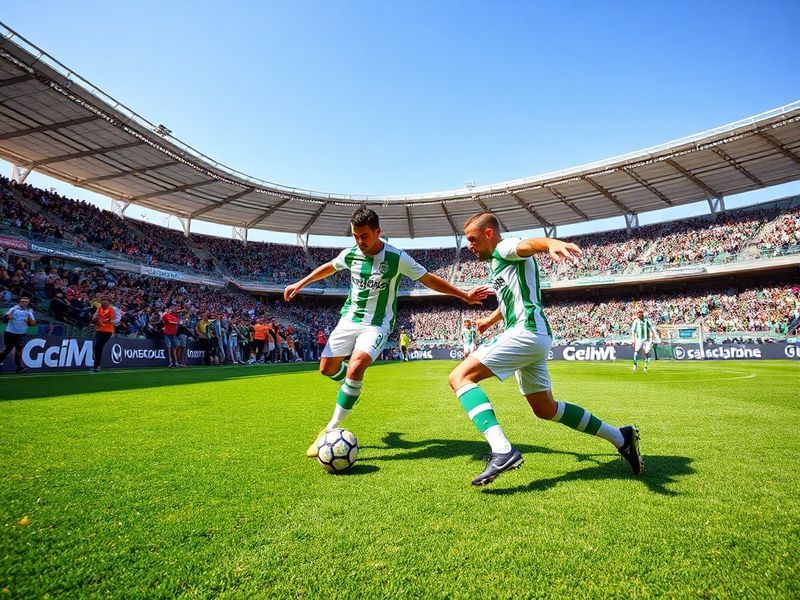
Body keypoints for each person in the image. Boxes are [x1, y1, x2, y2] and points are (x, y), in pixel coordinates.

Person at [447, 212, 642, 486]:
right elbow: (512, 300)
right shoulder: (498, 264)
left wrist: (549, 243)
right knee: (546, 409)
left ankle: (502, 450)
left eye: (472, 239)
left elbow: (526, 245)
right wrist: (490, 321)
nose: (469, 246)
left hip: (524, 333)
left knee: (459, 377)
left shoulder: (504, 248)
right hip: (533, 335)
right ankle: (621, 437)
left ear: (489, 233)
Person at [284, 207, 491, 457]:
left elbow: (427, 279)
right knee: (327, 368)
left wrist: (463, 295)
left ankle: (331, 427)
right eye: (355, 236)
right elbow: (329, 267)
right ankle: (351, 389)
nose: (359, 242)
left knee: (357, 365)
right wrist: (300, 283)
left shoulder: (396, 258)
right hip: (348, 319)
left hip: (378, 323)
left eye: (364, 236)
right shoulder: (351, 254)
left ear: (378, 232)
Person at [0, 295, 35, 374]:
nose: (24, 303)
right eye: (23, 301)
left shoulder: (29, 311)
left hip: (21, 334)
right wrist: (7, 317)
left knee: (19, 351)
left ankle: (19, 368)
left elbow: (32, 323)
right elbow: (4, 318)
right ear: (20, 301)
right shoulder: (13, 309)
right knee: (7, 349)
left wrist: (29, 321)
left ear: (28, 302)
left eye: (26, 301)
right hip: (10, 333)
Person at [91, 297, 116, 373]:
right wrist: (95, 321)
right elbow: (95, 318)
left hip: (107, 331)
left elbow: (111, 319)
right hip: (99, 330)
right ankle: (96, 365)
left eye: (106, 302)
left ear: (108, 303)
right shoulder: (99, 309)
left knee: (99, 346)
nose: (104, 303)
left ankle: (97, 365)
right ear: (101, 302)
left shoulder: (110, 309)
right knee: (97, 346)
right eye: (103, 302)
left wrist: (101, 321)